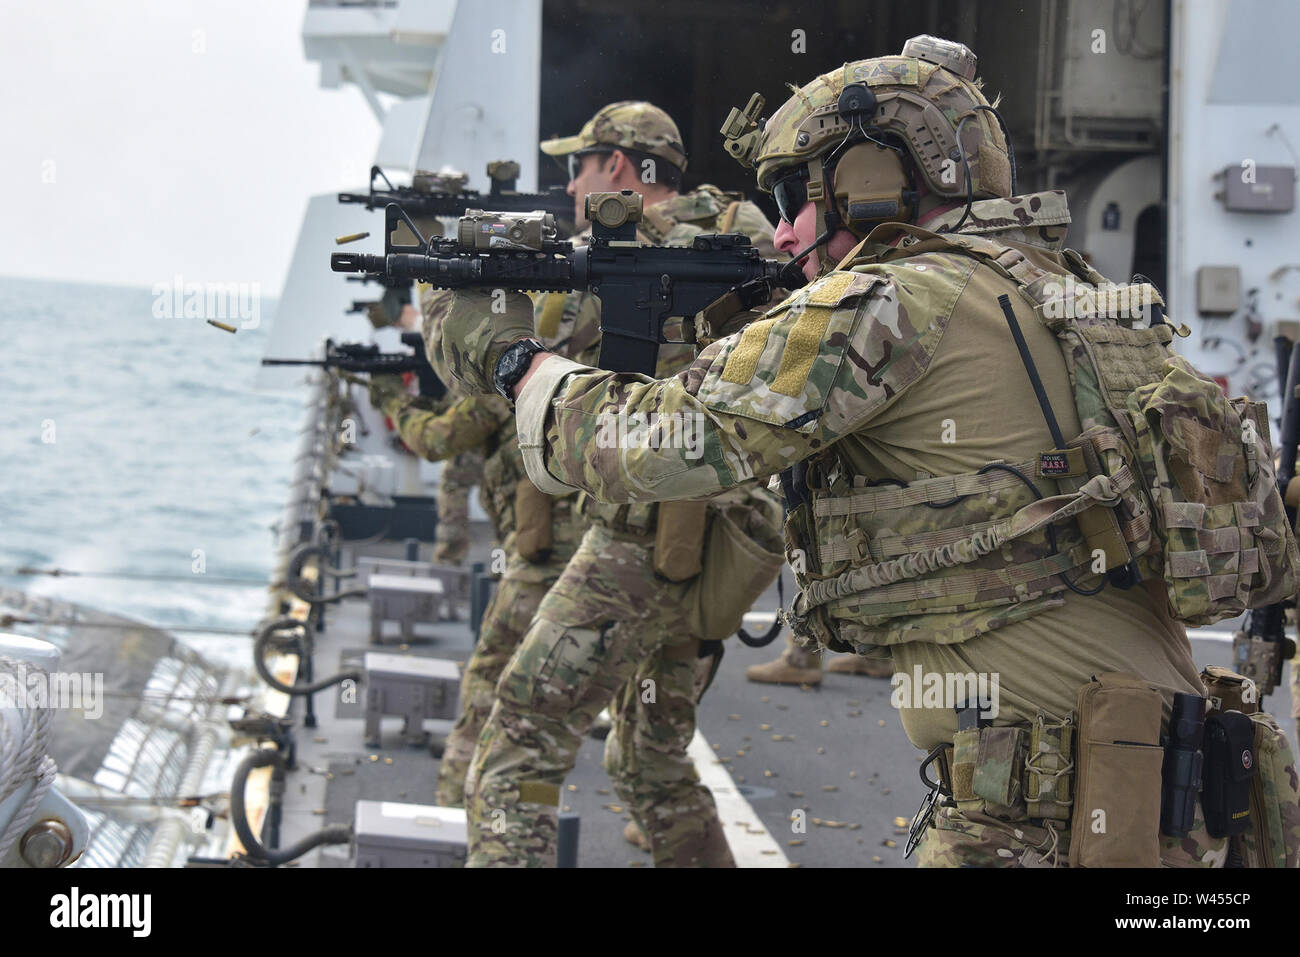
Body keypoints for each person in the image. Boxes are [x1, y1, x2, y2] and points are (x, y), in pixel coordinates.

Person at [441, 37, 1300, 866]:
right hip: (1171, 803)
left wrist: (518, 362)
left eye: (791, 202)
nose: (780, 236)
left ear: (870, 185)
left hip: (1041, 820)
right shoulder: (1072, 295)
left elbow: (659, 442)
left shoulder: (890, 301)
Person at [456, 101, 786, 867]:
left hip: (643, 540)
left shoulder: (648, 245)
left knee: (521, 739)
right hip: (723, 544)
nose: (572, 186)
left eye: (582, 167)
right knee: (649, 761)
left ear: (620, 168)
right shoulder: (751, 235)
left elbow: (552, 375)